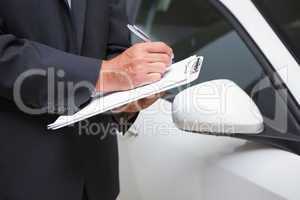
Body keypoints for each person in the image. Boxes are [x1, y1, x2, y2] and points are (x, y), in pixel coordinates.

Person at [0, 0, 173, 200]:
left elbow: (115, 45)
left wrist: (128, 96)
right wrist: (105, 74)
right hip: (20, 177)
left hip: (96, 181)